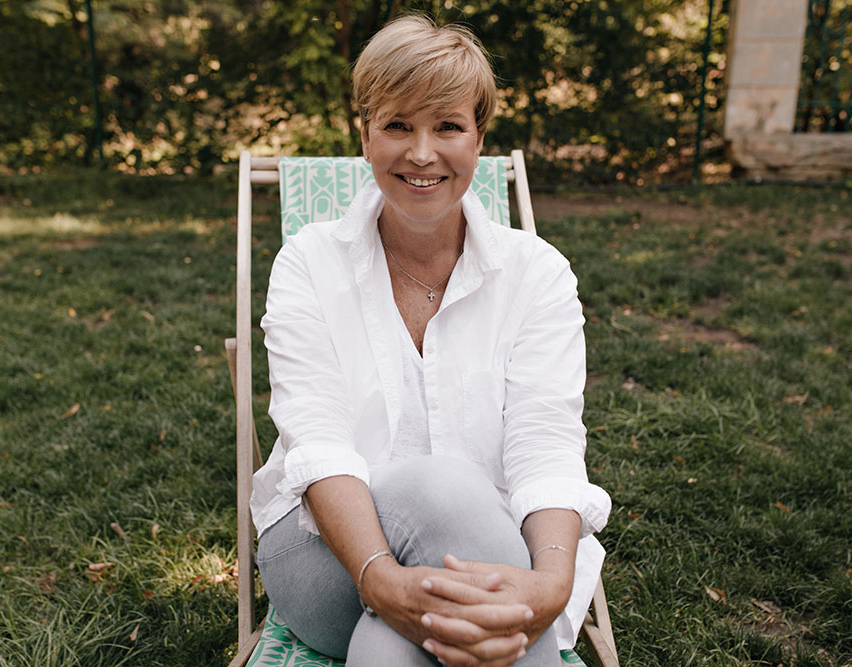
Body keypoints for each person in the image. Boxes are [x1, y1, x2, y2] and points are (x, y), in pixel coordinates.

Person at [251, 14, 611, 667]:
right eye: (397, 125)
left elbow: (546, 446)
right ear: (364, 136)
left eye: (446, 125)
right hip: (327, 558)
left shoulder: (536, 274)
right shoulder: (309, 263)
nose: (422, 152)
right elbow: (319, 443)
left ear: (479, 139)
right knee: (433, 484)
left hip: (495, 556)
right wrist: (381, 578)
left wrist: (552, 585)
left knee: (391, 650)